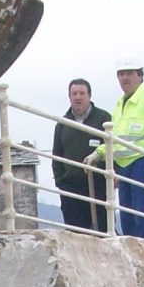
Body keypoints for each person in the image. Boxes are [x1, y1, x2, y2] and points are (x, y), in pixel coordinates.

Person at [99, 60, 144, 241]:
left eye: (129, 73)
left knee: (142, 214)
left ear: (140, 75)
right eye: (121, 74)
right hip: (124, 166)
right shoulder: (120, 103)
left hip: (143, 162)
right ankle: (132, 256)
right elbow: (116, 137)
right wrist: (99, 152)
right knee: (127, 216)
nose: (124, 78)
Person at [52, 78, 111, 232]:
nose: (78, 97)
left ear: (89, 96)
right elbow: (56, 154)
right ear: (69, 97)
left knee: (102, 229)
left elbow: (112, 147)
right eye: (74, 93)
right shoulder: (62, 123)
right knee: (75, 234)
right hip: (70, 186)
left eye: (82, 93)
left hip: (98, 184)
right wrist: (60, 181)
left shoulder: (104, 118)